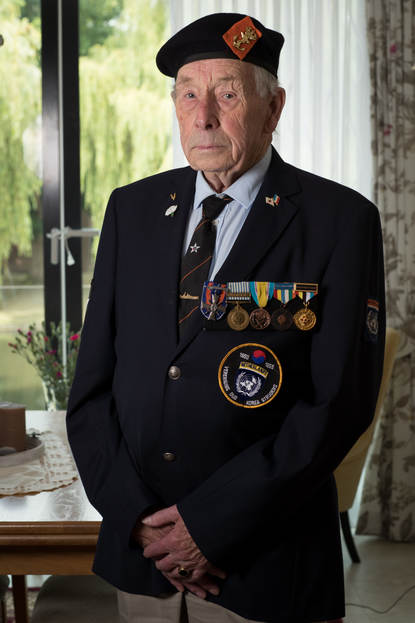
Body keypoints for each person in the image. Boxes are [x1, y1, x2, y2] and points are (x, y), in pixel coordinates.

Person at [67, 12, 385, 623]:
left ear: (274, 108)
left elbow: (337, 404)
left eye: (228, 94)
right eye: (188, 94)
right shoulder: (132, 210)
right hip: (145, 559)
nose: (204, 115)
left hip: (267, 562)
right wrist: (139, 521)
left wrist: (208, 527)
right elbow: (91, 391)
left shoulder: (339, 221)